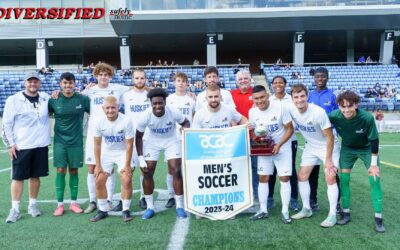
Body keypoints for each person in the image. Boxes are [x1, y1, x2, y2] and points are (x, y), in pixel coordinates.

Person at [329, 91, 385, 233]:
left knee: (374, 178)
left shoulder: (366, 118)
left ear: (356, 105)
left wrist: (373, 164)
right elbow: (323, 127)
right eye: (343, 106)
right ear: (339, 106)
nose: (346, 109)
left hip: (367, 149)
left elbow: (374, 140)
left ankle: (378, 218)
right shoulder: (334, 116)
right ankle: (346, 213)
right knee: (344, 179)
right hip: (347, 149)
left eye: (350, 106)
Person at [289, 84, 340, 228]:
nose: (299, 100)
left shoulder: (318, 112)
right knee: (302, 176)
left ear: (307, 96)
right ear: (292, 99)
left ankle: (332, 215)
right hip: (311, 146)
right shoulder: (291, 110)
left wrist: (328, 160)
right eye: (296, 97)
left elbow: (330, 137)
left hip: (328, 146)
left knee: (330, 176)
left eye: (302, 96)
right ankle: (306, 209)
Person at [2, 72, 50, 223]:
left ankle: (32, 205)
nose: (32, 84)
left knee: (35, 176)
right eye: (30, 82)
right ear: (25, 83)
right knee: (18, 177)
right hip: (22, 145)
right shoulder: (14, 100)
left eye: (35, 82)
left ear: (39, 83)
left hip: (41, 144)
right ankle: (15, 209)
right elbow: (6, 124)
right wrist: (10, 144)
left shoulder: (45, 98)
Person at [81, 62, 130, 213]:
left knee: (110, 168)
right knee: (92, 168)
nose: (103, 77)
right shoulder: (89, 91)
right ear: (96, 76)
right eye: (100, 74)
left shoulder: (118, 88)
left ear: (110, 76)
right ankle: (92, 201)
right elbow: (73, 96)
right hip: (94, 134)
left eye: (106, 75)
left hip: (112, 134)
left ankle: (108, 199)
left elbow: (137, 89)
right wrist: (57, 93)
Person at [136, 88, 190, 219]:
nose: (158, 106)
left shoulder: (173, 111)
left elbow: (186, 122)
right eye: (155, 103)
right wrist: (141, 158)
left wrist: (185, 128)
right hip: (151, 142)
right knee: (147, 171)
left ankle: (180, 206)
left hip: (171, 140)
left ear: (165, 103)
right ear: (151, 103)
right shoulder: (145, 115)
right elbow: (138, 137)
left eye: (160, 103)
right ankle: (150, 207)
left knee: (176, 170)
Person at [249, 85, 294, 224]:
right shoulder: (252, 112)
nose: (260, 101)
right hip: (265, 149)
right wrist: (257, 138)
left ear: (267, 95)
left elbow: (290, 129)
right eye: (256, 98)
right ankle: (263, 210)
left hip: (282, 147)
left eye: (262, 97)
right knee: (263, 177)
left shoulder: (281, 107)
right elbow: (254, 133)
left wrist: (279, 144)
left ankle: (285, 211)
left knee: (284, 178)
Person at [48, 72, 90, 216]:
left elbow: (95, 114)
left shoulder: (83, 99)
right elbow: (44, 116)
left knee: (74, 171)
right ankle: (60, 205)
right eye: (65, 83)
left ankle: (73, 203)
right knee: (60, 171)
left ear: (74, 84)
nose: (68, 85)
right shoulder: (53, 100)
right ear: (60, 84)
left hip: (76, 142)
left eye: (70, 83)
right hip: (60, 142)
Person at [110, 68, 151, 211]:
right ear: (132, 79)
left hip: (147, 138)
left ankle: (143, 197)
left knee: (145, 170)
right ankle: (123, 200)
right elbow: (109, 99)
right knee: (127, 170)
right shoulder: (125, 95)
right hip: (130, 139)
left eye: (142, 78)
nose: (139, 81)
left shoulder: (150, 94)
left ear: (145, 79)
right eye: (137, 78)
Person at [90, 96, 135, 222]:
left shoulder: (126, 121)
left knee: (126, 178)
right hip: (108, 152)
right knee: (99, 180)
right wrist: (98, 165)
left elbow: (129, 144)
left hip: (123, 152)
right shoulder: (99, 122)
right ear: (103, 108)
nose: (110, 110)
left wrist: (127, 165)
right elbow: (97, 144)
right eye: (108, 108)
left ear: (118, 107)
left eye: (113, 108)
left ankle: (125, 210)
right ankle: (102, 210)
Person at [308, 67, 341, 213]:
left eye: (322, 76)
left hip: (330, 136)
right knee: (312, 171)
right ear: (314, 78)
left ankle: (338, 203)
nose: (319, 79)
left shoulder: (333, 96)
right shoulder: (309, 96)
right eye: (317, 77)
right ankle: (312, 201)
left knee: (332, 170)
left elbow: (338, 117)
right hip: (314, 137)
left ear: (327, 77)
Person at [267, 76, 299, 211]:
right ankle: (269, 198)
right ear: (272, 85)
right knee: (271, 170)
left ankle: (294, 199)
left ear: (285, 84)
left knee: (290, 170)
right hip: (272, 141)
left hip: (290, 140)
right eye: (275, 83)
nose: (278, 85)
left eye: (280, 82)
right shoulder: (268, 100)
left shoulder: (292, 99)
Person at [166, 72, 196, 208]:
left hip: (188, 137)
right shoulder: (169, 99)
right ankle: (171, 196)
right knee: (171, 168)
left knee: (188, 167)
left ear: (187, 83)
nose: (181, 83)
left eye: (183, 81)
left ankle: (189, 193)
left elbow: (195, 116)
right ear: (174, 82)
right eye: (178, 80)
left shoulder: (192, 99)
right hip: (172, 138)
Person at [230, 70, 258, 201]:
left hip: (255, 136)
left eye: (245, 78)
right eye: (240, 79)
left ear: (250, 79)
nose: (243, 81)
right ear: (236, 81)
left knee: (255, 165)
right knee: (237, 165)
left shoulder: (257, 93)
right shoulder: (231, 94)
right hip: (237, 137)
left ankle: (256, 193)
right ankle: (240, 191)